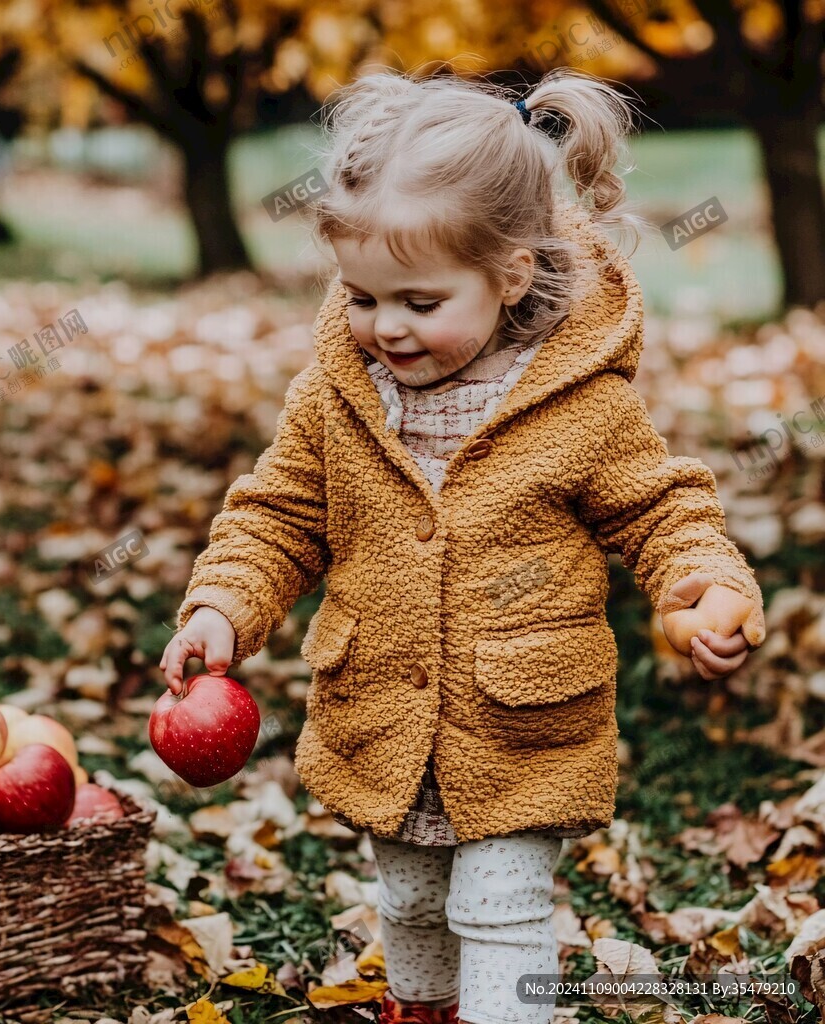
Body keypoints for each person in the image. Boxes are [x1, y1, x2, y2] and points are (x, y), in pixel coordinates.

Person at [159, 64, 767, 1024]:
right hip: (383, 718)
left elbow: (659, 511)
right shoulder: (338, 394)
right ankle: (423, 1008)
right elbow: (279, 512)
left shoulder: (580, 403)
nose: (385, 328)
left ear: (510, 274)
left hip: (522, 724)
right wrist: (223, 604)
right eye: (361, 298)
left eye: (419, 303)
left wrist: (701, 583)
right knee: (407, 898)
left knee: (500, 908)